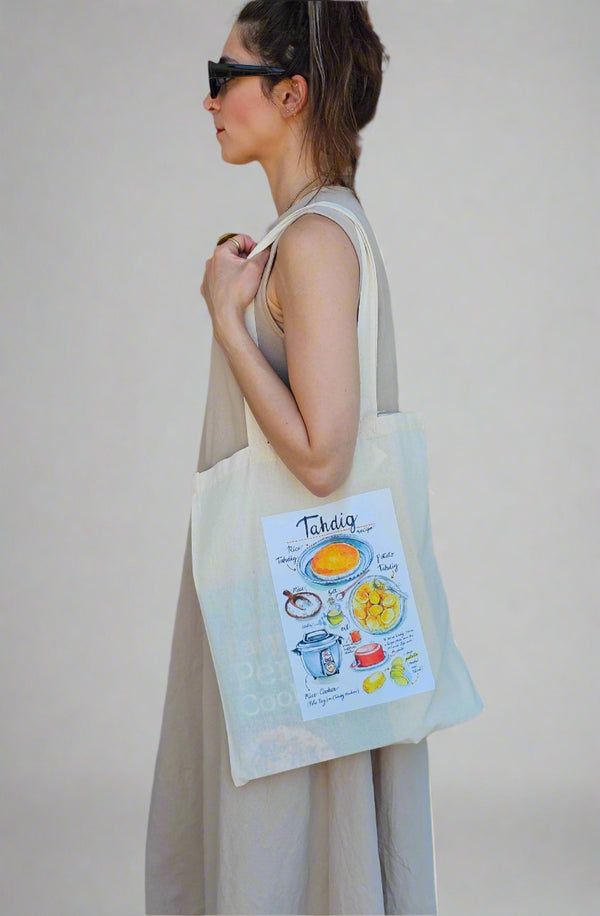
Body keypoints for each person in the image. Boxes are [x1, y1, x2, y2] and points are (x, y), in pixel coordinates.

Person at [146, 2, 438, 913]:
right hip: (301, 604)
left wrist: (227, 322)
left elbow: (322, 459)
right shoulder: (305, 234)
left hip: (294, 618)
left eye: (222, 76)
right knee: (304, 854)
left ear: (291, 92)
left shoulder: (312, 243)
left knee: (281, 851)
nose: (210, 100)